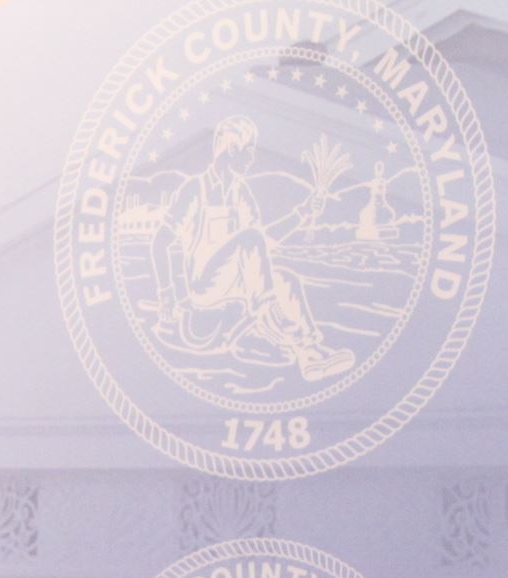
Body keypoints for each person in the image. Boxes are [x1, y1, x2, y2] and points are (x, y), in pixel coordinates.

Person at [151, 115, 355, 382]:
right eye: (249, 152)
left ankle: (309, 353)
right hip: (203, 290)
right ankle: (270, 317)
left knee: (286, 279)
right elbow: (160, 242)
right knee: (249, 239)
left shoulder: (240, 192)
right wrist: (167, 294)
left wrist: (302, 213)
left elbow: (262, 244)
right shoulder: (194, 189)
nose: (253, 159)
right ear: (233, 150)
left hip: (237, 290)